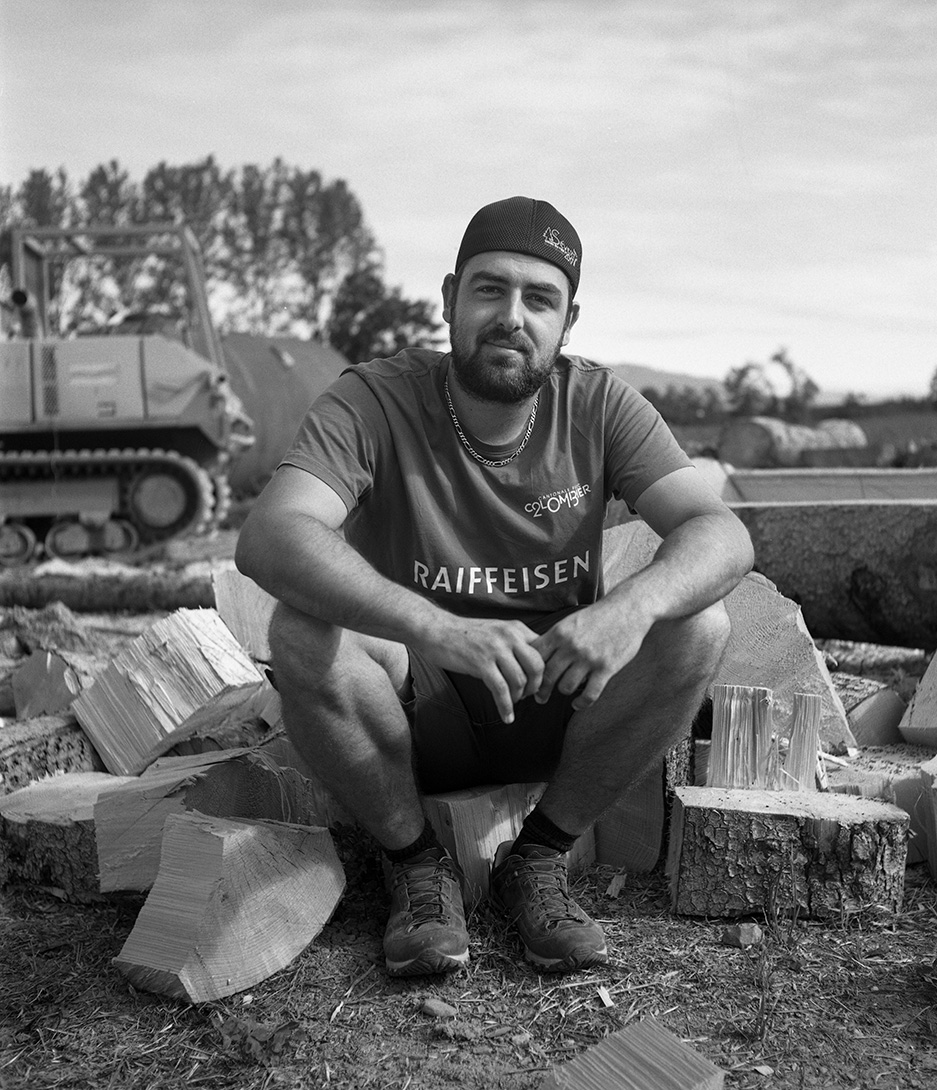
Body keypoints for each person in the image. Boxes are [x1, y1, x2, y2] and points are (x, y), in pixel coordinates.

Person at [235, 195, 754, 977]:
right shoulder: (373, 399)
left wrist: (631, 605)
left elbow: (724, 533)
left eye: (539, 298)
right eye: (490, 289)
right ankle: (414, 866)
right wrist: (436, 627)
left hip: (556, 691)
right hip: (421, 703)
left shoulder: (600, 403)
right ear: (450, 299)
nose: (513, 316)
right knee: (301, 631)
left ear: (567, 321)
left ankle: (540, 858)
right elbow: (272, 534)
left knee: (699, 626)